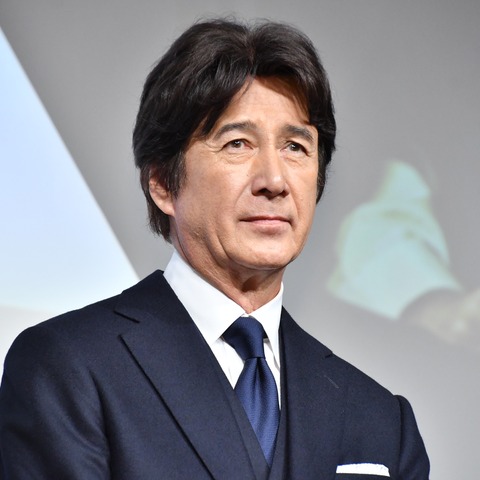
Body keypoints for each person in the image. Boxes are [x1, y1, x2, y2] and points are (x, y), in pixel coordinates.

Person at [0, 19, 429, 479]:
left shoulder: (381, 419)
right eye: (237, 143)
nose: (274, 181)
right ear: (163, 183)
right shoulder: (68, 368)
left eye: (295, 147)